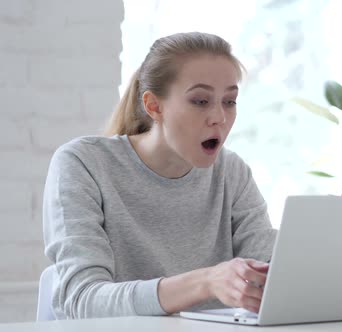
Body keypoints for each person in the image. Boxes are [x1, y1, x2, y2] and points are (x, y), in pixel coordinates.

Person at [42, 31, 277, 319]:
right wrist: (206, 282)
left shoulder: (232, 172)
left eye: (229, 101)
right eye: (201, 101)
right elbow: (83, 300)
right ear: (154, 106)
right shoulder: (84, 163)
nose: (220, 117)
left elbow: (271, 278)